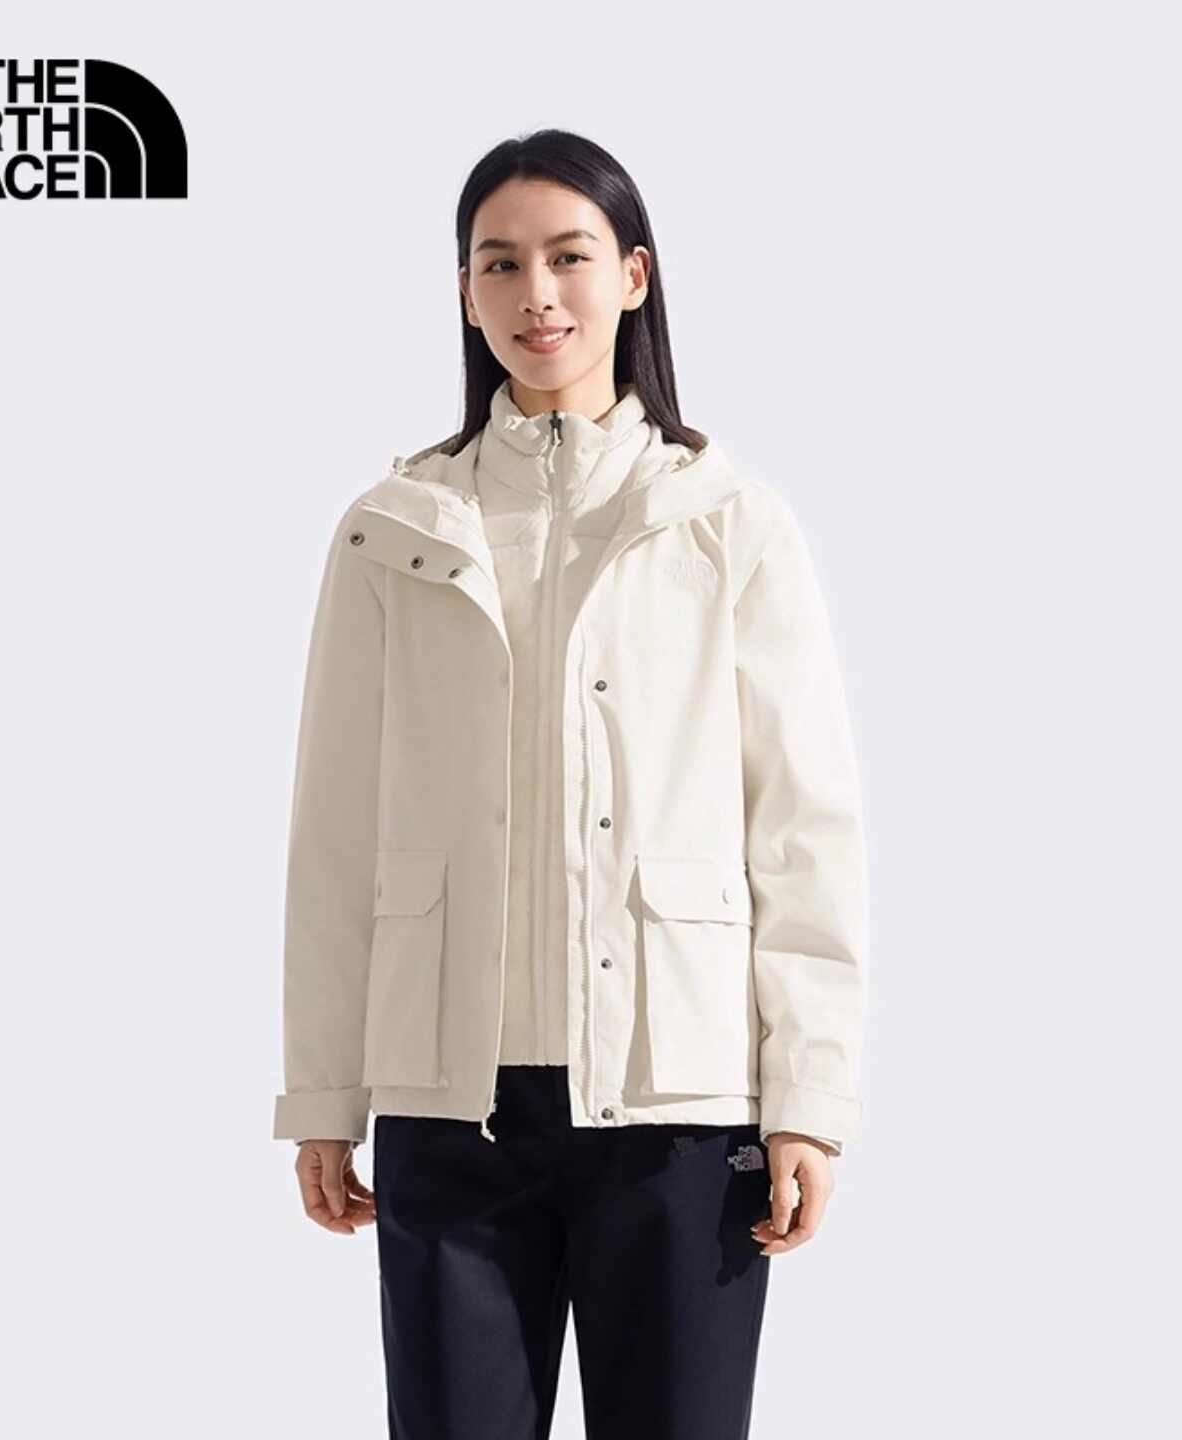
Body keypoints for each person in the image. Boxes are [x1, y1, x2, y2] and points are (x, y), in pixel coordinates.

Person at [271, 128, 869, 1439]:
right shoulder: (394, 530)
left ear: (634, 276)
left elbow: (801, 827)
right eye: (501, 264)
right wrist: (323, 1093)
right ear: (464, 291)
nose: (536, 293)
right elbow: (335, 830)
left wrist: (808, 1101)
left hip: (679, 1102)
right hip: (449, 1100)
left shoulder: (726, 521)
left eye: (569, 257)